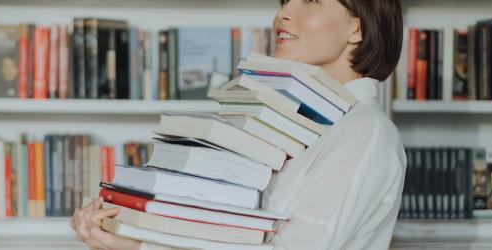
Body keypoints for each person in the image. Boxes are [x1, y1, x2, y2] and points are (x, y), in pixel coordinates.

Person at [70, 0, 406, 249]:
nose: (283, 14)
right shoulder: (293, 122)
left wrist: (141, 247)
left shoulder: (364, 131)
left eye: (311, 0)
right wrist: (127, 222)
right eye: (285, 1)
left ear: (357, 27)